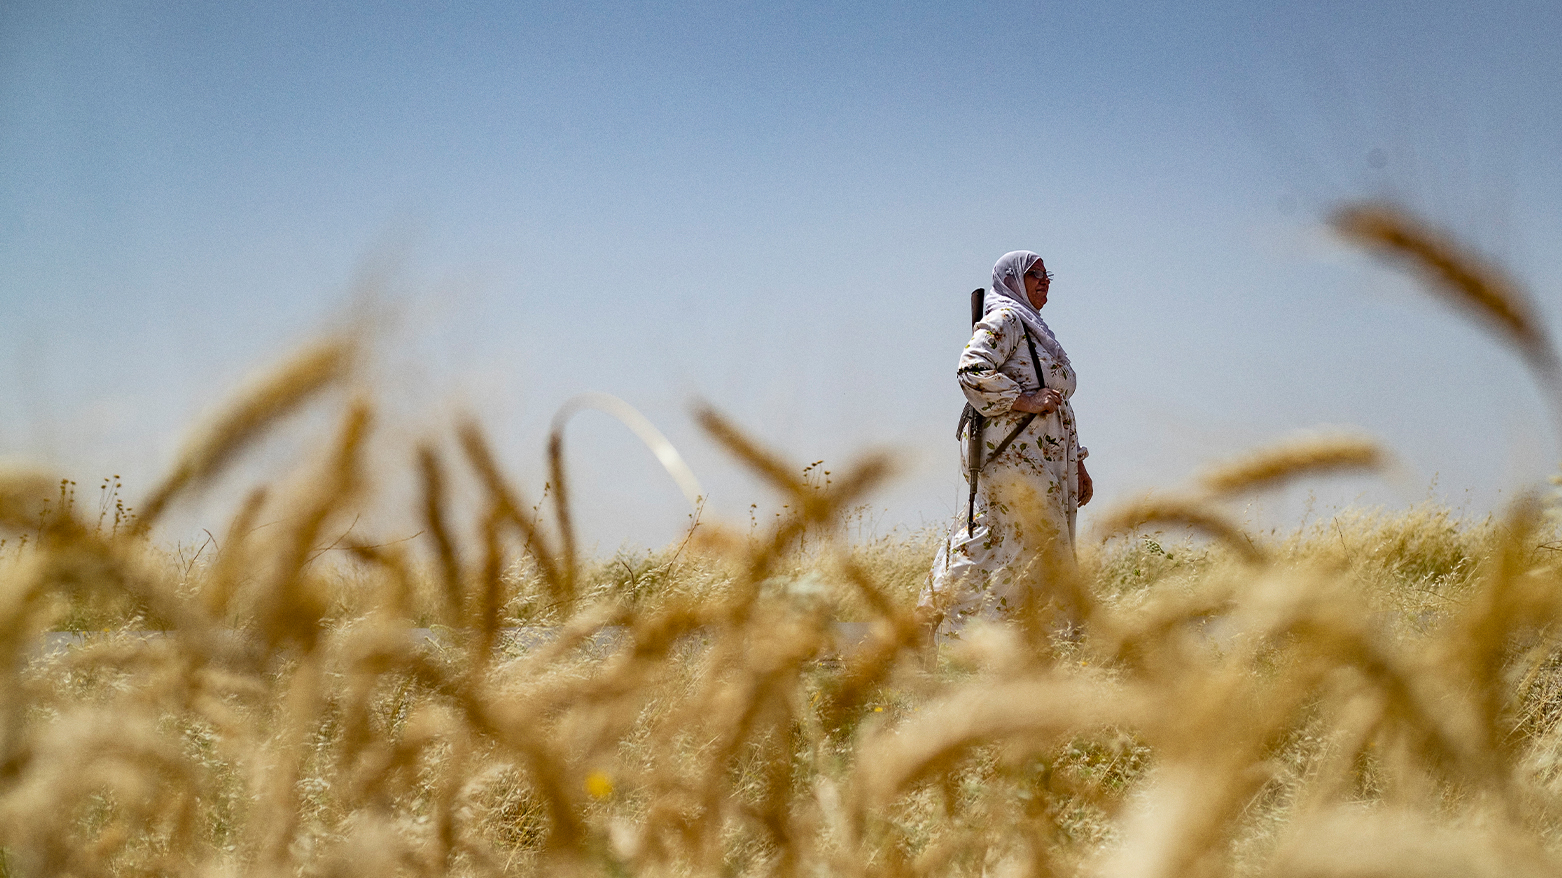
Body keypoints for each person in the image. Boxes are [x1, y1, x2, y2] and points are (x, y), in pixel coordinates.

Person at [919, 250, 1092, 641]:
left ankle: (942, 617)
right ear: (1012, 280)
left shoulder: (1036, 329)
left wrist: (1077, 463)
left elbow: (1059, 404)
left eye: (1048, 274)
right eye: (1034, 274)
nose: (1045, 281)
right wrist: (1024, 400)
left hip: (1046, 459)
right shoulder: (1006, 320)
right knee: (1029, 536)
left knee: (999, 536)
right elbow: (972, 368)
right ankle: (1013, 635)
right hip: (1013, 455)